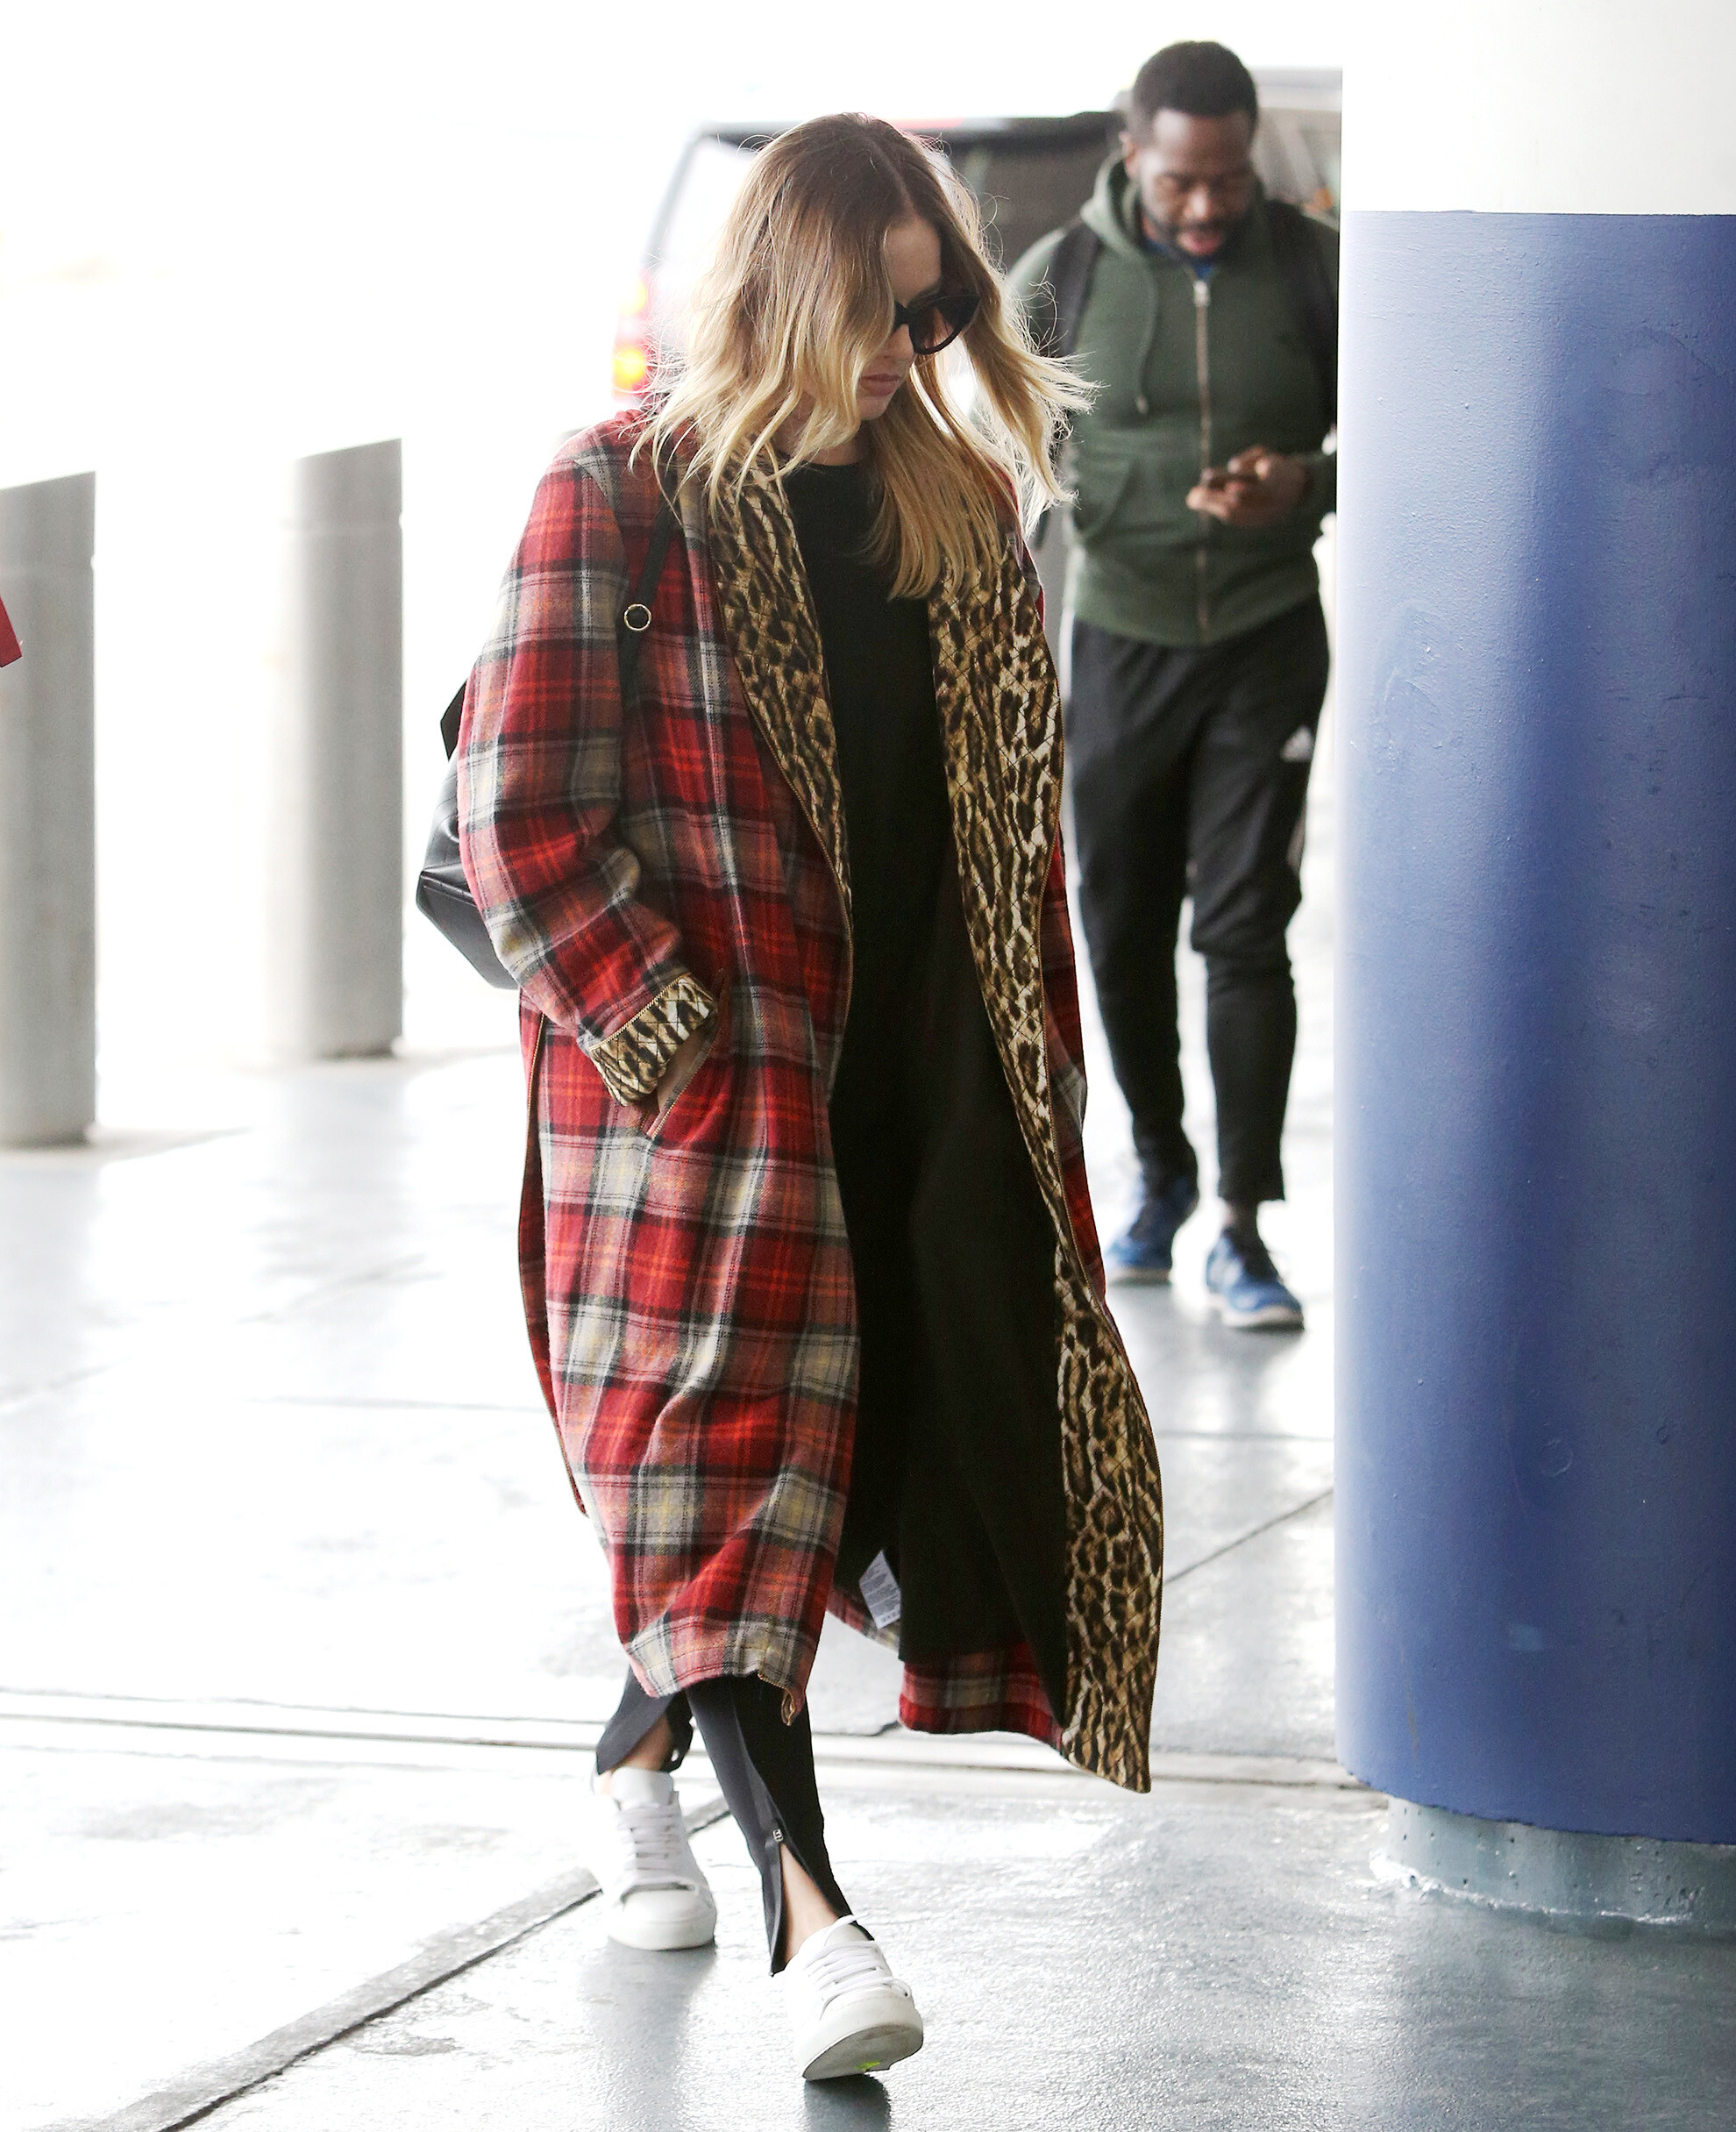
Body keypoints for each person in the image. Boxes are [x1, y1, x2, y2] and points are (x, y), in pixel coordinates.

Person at [458, 114, 1163, 2085]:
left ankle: (634, 1766)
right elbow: (517, 817)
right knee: (724, 1471)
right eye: (875, 314)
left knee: (824, 1485)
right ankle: (818, 1924)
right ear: (781, 288)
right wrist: (665, 1034)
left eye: (933, 319)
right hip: (706, 1105)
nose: (903, 356)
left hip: (918, 1092)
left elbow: (1011, 838)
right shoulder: (622, 494)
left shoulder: (957, 501)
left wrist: (1036, 1069)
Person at [1012, 41, 1338, 1330]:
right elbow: (998, 457)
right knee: (1121, 921)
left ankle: (1243, 1227)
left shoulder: (1312, 268)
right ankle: (1159, 1173)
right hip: (1119, 636)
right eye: (1179, 180)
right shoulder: (1063, 280)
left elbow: (1403, 438)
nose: (1206, 205)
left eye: (1229, 178)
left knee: (1247, 928)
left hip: (1266, 634)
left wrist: (1304, 486)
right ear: (1131, 155)